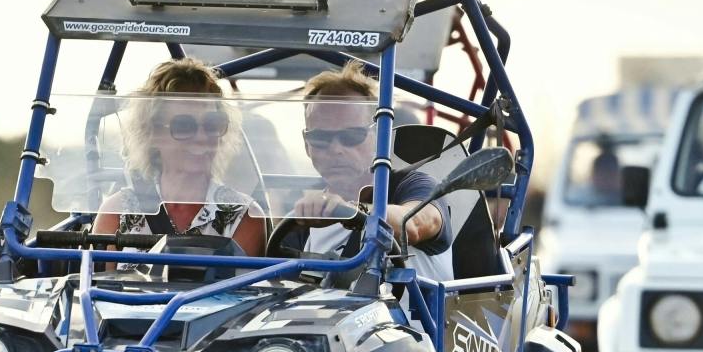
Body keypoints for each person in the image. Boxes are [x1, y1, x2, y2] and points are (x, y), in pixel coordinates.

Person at [288, 63, 451, 277]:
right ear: (306, 143)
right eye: (320, 138)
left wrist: (350, 212)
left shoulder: (414, 185)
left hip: (415, 311)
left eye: (351, 136)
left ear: (377, 137)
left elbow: (414, 223)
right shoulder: (304, 217)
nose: (336, 149)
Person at [93, 57, 267, 255]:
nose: (202, 137)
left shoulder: (244, 217)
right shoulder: (116, 214)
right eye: (184, 126)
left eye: (212, 124)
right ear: (154, 133)